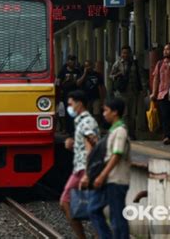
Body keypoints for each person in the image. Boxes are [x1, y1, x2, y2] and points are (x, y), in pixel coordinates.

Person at [88, 98, 130, 239]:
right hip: (109, 180)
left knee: (117, 218)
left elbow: (116, 155)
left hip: (117, 179)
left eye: (106, 110)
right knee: (94, 209)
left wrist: (101, 176)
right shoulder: (113, 130)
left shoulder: (120, 131)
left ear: (115, 112)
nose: (104, 114)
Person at [60, 90, 99, 239]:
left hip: (84, 169)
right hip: (81, 168)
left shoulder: (87, 121)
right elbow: (87, 144)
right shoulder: (81, 121)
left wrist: (88, 173)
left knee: (66, 201)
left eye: (70, 104)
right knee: (93, 206)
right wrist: (74, 144)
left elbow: (92, 144)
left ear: (79, 103)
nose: (69, 107)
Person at [110, 46, 145, 140]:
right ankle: (124, 134)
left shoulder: (135, 63)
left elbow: (141, 76)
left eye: (127, 53)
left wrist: (143, 89)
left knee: (132, 114)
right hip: (121, 92)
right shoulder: (118, 63)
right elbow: (111, 75)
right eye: (123, 53)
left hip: (133, 92)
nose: (125, 55)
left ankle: (132, 133)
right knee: (124, 114)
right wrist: (118, 74)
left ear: (130, 53)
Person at [150, 43, 170, 145]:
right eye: (164, 49)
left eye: (168, 49)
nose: (165, 51)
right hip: (162, 93)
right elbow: (156, 79)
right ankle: (167, 136)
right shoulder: (160, 64)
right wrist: (154, 93)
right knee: (165, 116)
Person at [56, 55, 82, 136]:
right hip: (65, 95)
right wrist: (65, 81)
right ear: (67, 61)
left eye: (74, 60)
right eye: (71, 60)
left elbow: (79, 82)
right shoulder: (63, 71)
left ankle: (74, 129)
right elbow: (57, 83)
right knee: (67, 112)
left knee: (75, 111)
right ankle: (67, 129)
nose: (72, 62)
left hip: (75, 94)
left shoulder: (77, 71)